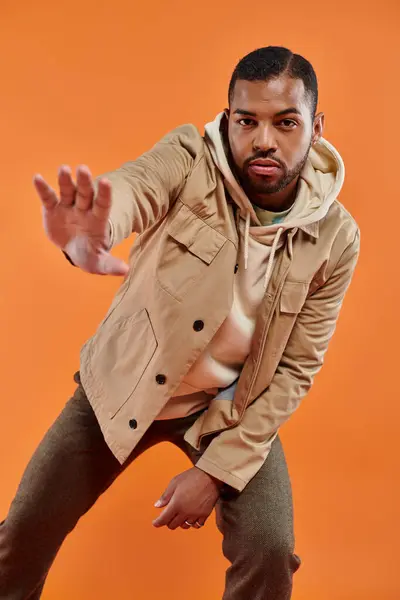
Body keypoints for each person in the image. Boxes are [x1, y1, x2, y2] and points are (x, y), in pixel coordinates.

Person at [0, 46, 360, 600]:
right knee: (21, 537)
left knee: (268, 551)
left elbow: (295, 370)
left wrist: (215, 472)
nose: (264, 140)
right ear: (228, 118)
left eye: (286, 122)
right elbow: (136, 187)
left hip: (230, 410)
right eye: (248, 121)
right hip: (128, 385)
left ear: (315, 127)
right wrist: (91, 233)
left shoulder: (338, 237)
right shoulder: (191, 156)